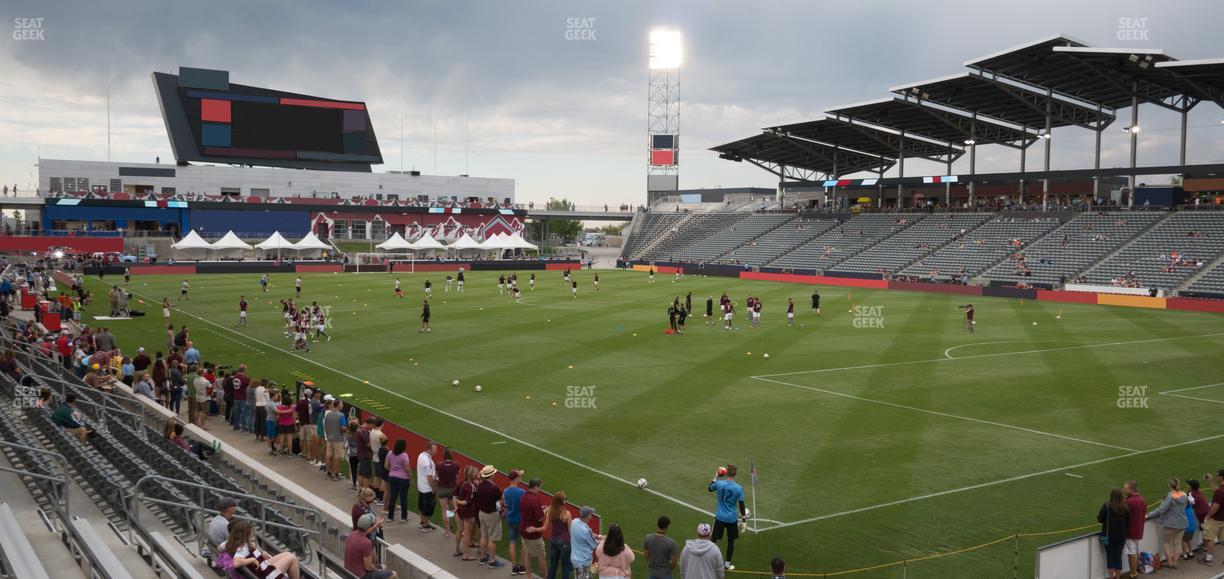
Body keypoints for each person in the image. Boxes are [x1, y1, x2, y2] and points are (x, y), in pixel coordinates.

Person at [224, 520, 301, 579]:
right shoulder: (243, 547)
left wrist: (259, 555)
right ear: (246, 534)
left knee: (287, 554)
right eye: (250, 531)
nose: (252, 533)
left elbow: (220, 548)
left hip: (262, 568)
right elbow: (235, 563)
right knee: (292, 558)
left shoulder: (232, 543)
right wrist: (252, 560)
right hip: (265, 575)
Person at [708, 465, 745, 571]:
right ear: (735, 474)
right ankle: (727, 564)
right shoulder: (738, 488)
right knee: (731, 541)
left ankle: (706, 558)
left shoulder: (719, 484)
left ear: (726, 473)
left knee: (713, 539)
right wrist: (743, 519)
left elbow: (710, 488)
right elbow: (741, 505)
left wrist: (716, 476)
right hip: (732, 519)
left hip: (720, 517)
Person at [1146, 478, 1190, 570]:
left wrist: (1148, 515)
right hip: (1182, 523)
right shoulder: (1184, 495)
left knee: (1166, 542)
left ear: (1170, 485)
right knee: (1177, 543)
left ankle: (1170, 562)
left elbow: (1161, 510)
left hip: (1171, 524)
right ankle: (1175, 563)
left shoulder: (1170, 497)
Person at [346, 513, 398, 579]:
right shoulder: (366, 542)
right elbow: (368, 566)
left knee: (383, 567)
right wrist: (378, 570)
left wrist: (375, 525)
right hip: (360, 576)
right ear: (369, 527)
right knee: (393, 574)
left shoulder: (352, 535)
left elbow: (366, 531)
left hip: (349, 572)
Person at [476, 465, 505, 568]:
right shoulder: (493, 488)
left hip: (482, 513)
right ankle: (492, 561)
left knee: (484, 536)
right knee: (493, 538)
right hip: (491, 514)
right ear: (491, 475)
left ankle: (483, 557)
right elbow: (500, 500)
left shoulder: (480, 485)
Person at [540, 490, 573, 579]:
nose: (566, 500)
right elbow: (570, 531)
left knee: (553, 566)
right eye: (565, 499)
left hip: (553, 541)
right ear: (561, 501)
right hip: (565, 543)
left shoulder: (551, 511)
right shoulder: (567, 514)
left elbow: (544, 524)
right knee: (565, 568)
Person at [1098, 488, 1130, 579]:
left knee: (1110, 556)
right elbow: (1128, 520)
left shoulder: (1107, 506)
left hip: (1108, 536)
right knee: (1118, 556)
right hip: (1121, 536)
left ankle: (1112, 577)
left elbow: (1099, 519)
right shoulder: (1125, 507)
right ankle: (1118, 577)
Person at [520, 477, 548, 577]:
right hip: (534, 534)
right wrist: (544, 511)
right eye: (540, 487)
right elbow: (540, 518)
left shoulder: (523, 496)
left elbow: (528, 511)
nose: (540, 490)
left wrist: (540, 509)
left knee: (527, 554)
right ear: (535, 487)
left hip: (523, 531)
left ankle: (529, 576)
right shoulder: (535, 500)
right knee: (541, 557)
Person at [503, 469, 527, 574]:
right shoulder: (522, 492)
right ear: (516, 478)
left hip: (510, 519)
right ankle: (522, 566)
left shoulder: (506, 491)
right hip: (520, 520)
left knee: (512, 542)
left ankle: (513, 567)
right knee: (523, 543)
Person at [453, 465, 479, 560]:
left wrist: (456, 506)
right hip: (468, 512)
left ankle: (457, 550)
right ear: (472, 474)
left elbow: (454, 495)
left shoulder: (459, 482)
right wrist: (459, 502)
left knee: (459, 530)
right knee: (467, 533)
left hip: (459, 511)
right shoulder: (471, 486)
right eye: (476, 472)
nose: (478, 474)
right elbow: (466, 502)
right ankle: (466, 555)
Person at [383, 439, 412, 523]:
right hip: (403, 479)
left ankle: (390, 516)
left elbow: (386, 466)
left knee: (393, 497)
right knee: (403, 498)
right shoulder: (404, 455)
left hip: (392, 477)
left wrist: (392, 470)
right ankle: (404, 517)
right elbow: (407, 468)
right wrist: (410, 478)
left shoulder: (390, 453)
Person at [1200, 471, 1224, 564]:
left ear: (1221, 477)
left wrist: (1208, 516)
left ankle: (1208, 559)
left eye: (1217, 476)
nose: (1216, 477)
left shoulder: (1220, 491)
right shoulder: (1220, 490)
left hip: (1215, 519)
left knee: (1210, 538)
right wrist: (1210, 481)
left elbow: (1215, 507)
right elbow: (1217, 491)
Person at [570, 506, 600, 579]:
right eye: (591, 514)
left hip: (577, 559)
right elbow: (594, 545)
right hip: (583, 561)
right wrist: (602, 541)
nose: (591, 516)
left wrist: (596, 536)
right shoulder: (585, 531)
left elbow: (588, 533)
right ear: (588, 516)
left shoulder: (574, 521)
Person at [1123, 480, 1146, 574]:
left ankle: (1133, 573)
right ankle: (1134, 571)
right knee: (1133, 551)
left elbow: (1124, 516)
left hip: (1130, 531)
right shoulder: (1142, 500)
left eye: (1125, 488)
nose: (1124, 490)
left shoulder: (1130, 502)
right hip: (1138, 530)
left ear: (1131, 489)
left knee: (1131, 552)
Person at [436, 450, 460, 537]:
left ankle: (447, 531)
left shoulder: (438, 465)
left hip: (442, 489)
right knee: (454, 509)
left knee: (444, 510)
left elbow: (437, 476)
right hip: (452, 489)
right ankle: (459, 529)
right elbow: (458, 476)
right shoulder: (456, 465)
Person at [416, 442, 438, 531]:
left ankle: (423, 522)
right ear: (429, 449)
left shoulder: (421, 455)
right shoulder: (428, 462)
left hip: (421, 486)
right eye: (435, 449)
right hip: (427, 488)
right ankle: (425, 525)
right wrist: (433, 488)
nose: (436, 451)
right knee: (427, 508)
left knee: (422, 506)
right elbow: (429, 477)